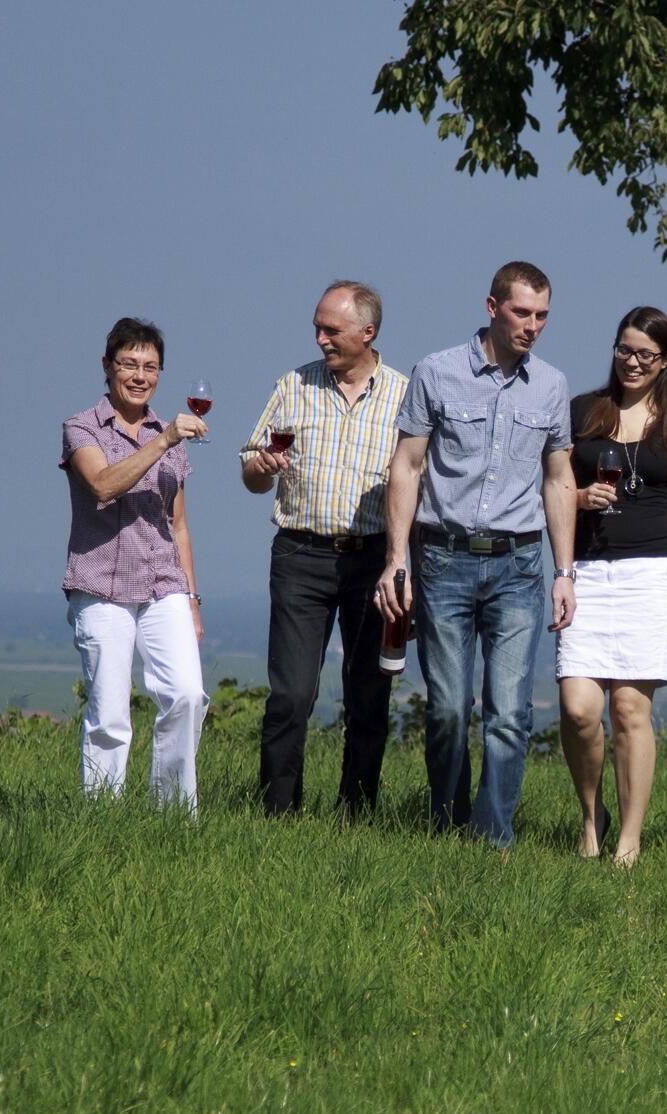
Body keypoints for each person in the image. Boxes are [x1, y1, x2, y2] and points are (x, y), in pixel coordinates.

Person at [375, 261, 577, 849]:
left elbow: (559, 480)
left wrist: (564, 573)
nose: (532, 326)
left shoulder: (552, 385)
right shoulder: (436, 373)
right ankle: (446, 826)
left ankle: (493, 841)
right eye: (522, 312)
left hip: (519, 565)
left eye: (542, 315)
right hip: (444, 560)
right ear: (492, 308)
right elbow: (407, 467)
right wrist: (397, 560)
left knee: (510, 712)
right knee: (446, 710)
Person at [238, 281, 408, 818]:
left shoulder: (406, 395)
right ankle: (277, 814)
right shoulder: (293, 386)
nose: (320, 339)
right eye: (318, 328)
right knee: (290, 696)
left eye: (331, 330)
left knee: (367, 697)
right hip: (300, 557)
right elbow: (251, 469)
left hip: (373, 559)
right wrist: (259, 468)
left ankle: (355, 814)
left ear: (367, 332)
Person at [557, 307, 667, 866]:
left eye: (647, 354)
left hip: (650, 576)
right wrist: (578, 499)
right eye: (626, 350)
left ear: (666, 360)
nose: (634, 363)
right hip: (587, 573)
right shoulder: (582, 411)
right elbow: (551, 490)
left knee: (629, 710)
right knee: (577, 708)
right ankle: (591, 814)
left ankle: (627, 841)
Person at [58, 317, 209, 809]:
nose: (140, 376)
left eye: (151, 366)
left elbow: (178, 524)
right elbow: (102, 485)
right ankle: (102, 817)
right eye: (129, 364)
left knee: (187, 696)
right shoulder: (81, 428)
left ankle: (172, 812)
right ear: (108, 367)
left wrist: (192, 599)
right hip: (101, 585)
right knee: (109, 712)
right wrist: (161, 441)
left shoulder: (167, 434)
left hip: (163, 583)